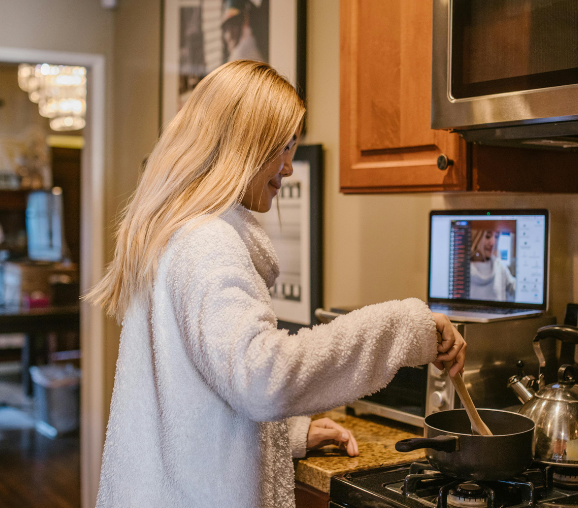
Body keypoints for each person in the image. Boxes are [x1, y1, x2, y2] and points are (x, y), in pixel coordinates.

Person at [88, 60, 466, 508]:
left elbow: (196, 399)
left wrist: (289, 433)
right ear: (240, 145)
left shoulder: (175, 234)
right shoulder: (207, 241)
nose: (288, 167)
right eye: (281, 147)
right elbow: (263, 378)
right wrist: (405, 327)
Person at [468, 229, 516, 302]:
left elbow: (515, 288)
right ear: (476, 237)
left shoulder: (499, 266)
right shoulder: (462, 269)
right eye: (487, 236)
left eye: (496, 236)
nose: (493, 242)